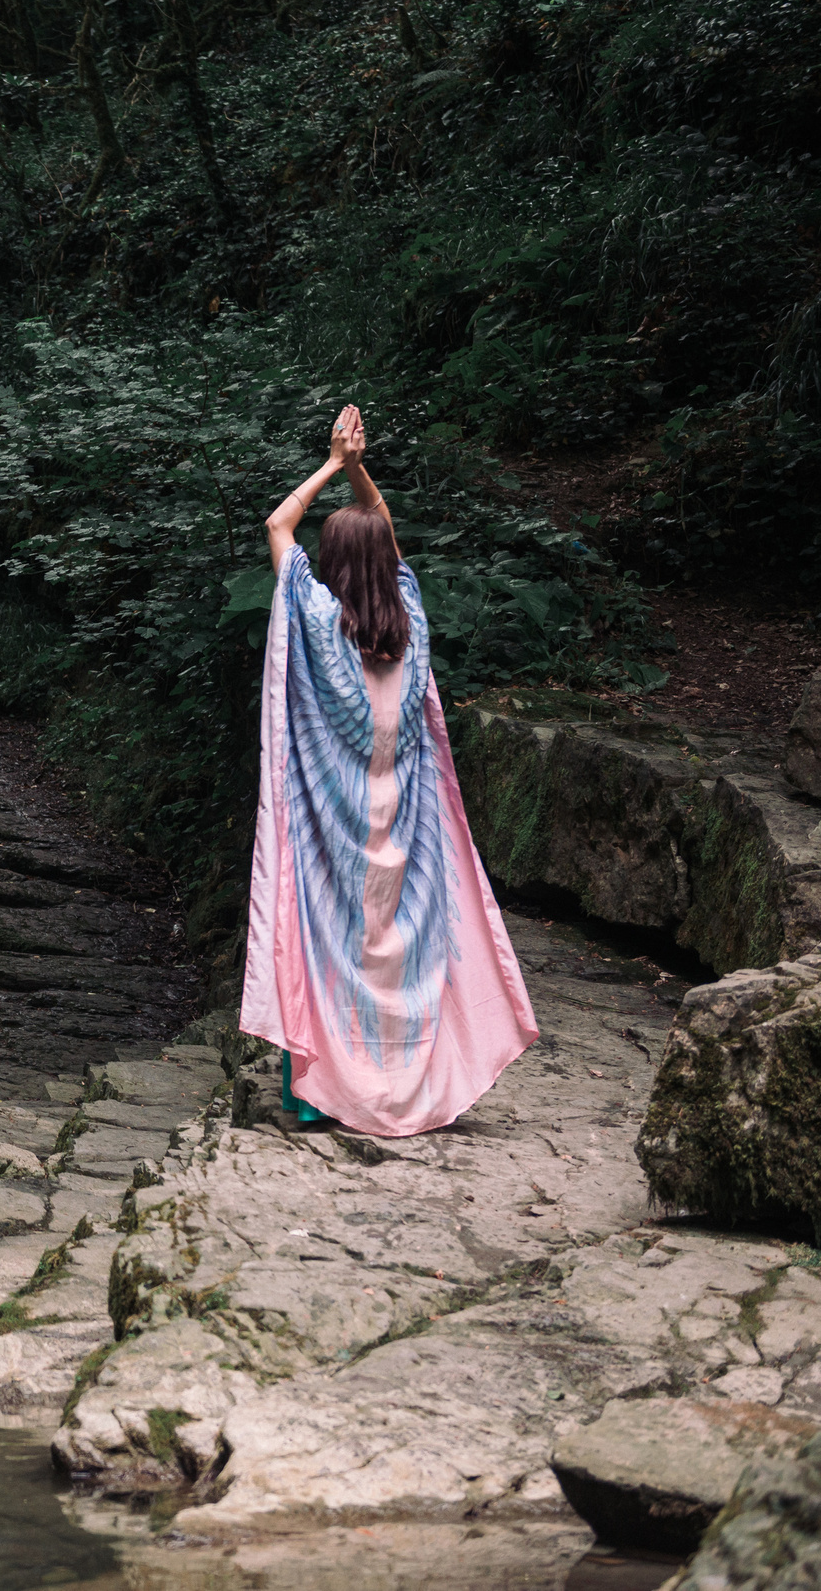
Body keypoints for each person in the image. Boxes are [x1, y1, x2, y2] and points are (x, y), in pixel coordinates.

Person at [237, 405, 537, 1137]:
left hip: (333, 833)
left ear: (331, 565)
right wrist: (362, 470)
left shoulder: (313, 615)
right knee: (397, 958)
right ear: (384, 569)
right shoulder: (412, 627)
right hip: (403, 833)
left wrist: (335, 463)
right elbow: (387, 533)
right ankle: (407, 1083)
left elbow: (279, 526)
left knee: (329, 946)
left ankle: (319, 1099)